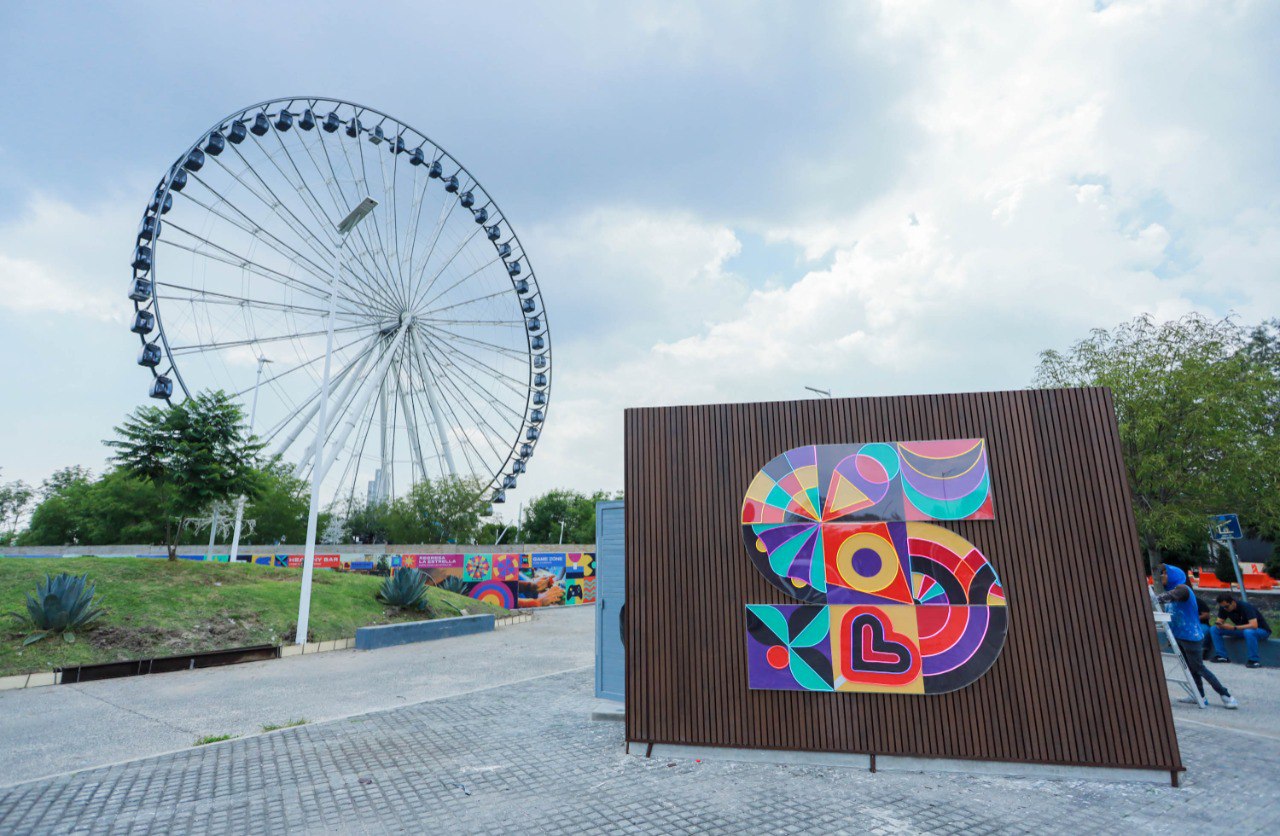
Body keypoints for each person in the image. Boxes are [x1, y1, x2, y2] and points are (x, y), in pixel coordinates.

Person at [1155, 565, 1238, 709]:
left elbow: (1164, 598)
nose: (1162, 576)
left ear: (1173, 576)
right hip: (1180, 636)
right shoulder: (1174, 591)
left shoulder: (1182, 589)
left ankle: (1226, 696)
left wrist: (1151, 598)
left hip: (1190, 637)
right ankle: (1199, 695)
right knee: (1190, 668)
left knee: (1199, 668)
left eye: (1165, 573)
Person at [1210, 593, 1272, 668]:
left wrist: (1234, 628)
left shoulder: (1245, 607)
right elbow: (1219, 621)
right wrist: (1220, 624)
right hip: (1243, 630)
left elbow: (1254, 625)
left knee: (1249, 632)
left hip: (1261, 630)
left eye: (1226, 606)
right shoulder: (1224, 608)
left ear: (1232, 602)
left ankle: (1254, 660)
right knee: (1214, 629)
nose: (1225, 609)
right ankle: (1222, 656)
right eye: (1223, 607)